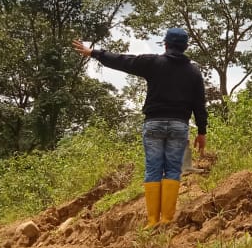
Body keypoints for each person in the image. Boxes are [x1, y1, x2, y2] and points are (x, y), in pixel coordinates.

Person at [71, 28, 207, 227]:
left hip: (153, 124)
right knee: (172, 171)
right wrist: (202, 131)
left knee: (153, 170)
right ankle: (167, 219)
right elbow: (199, 104)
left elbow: (123, 61)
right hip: (179, 125)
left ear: (166, 44)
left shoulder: (153, 63)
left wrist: (93, 52)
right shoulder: (193, 71)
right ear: (186, 47)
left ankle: (152, 221)